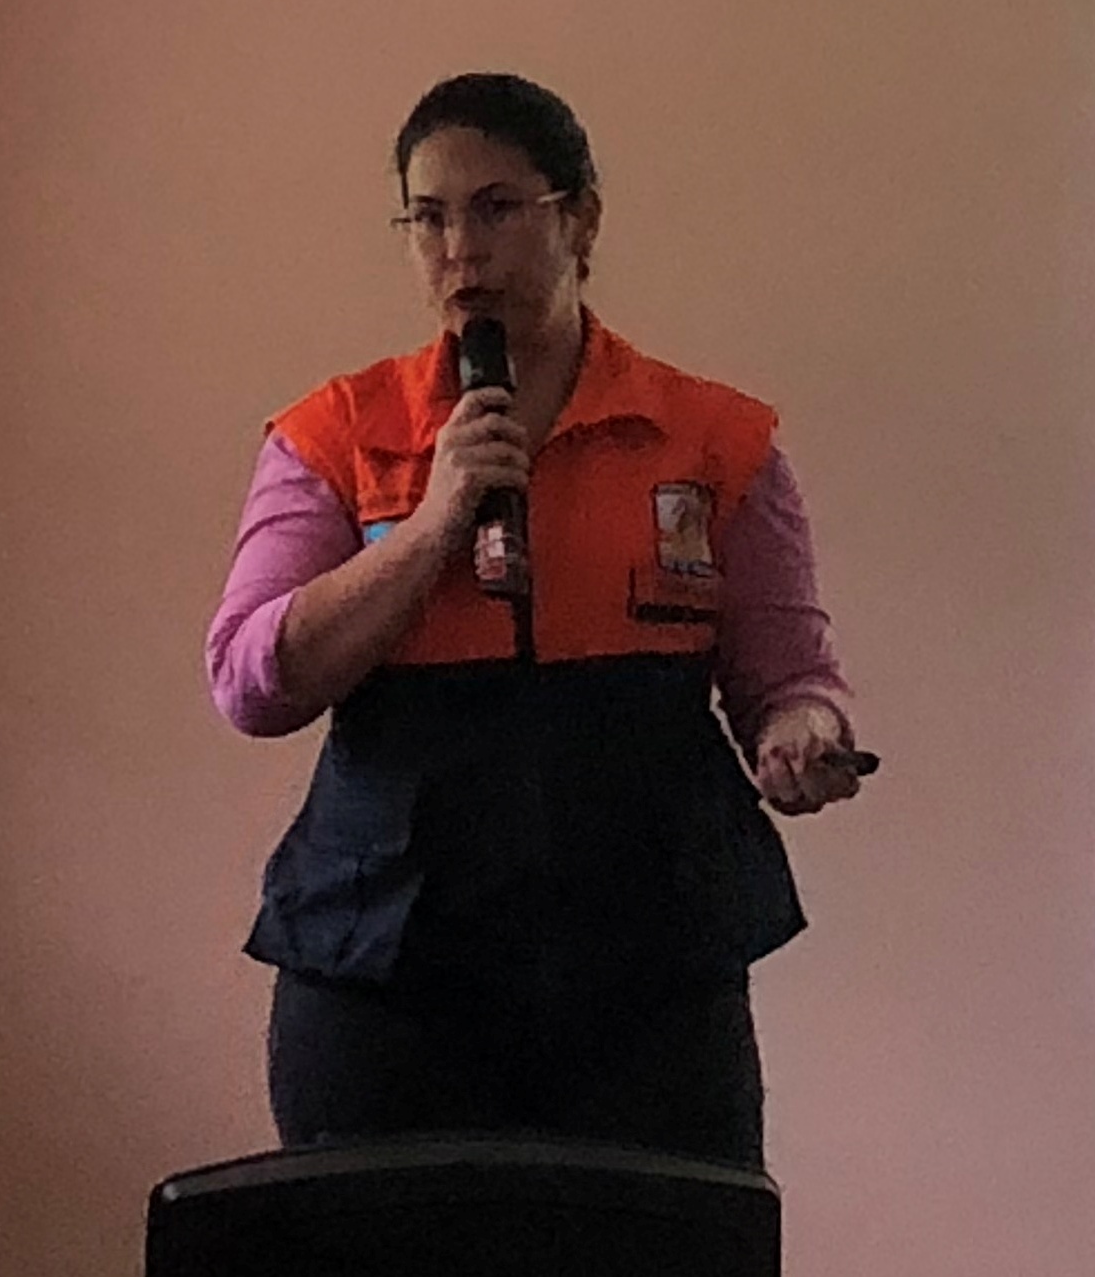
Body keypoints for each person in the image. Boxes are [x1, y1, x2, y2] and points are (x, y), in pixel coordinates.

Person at [204, 71, 863, 1163]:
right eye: (428, 217)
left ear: (580, 218)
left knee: (659, 1267)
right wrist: (432, 524)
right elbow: (250, 682)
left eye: (498, 208)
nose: (461, 249)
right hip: (388, 976)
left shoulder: (712, 438)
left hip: (648, 977)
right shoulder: (336, 435)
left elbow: (789, 677)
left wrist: (804, 732)